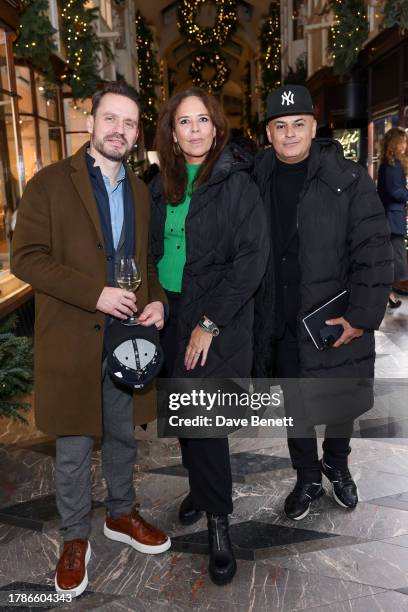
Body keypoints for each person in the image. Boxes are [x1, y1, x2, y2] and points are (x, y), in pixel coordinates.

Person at [11, 81, 170, 598]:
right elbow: (27, 258)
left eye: (129, 123)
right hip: (73, 341)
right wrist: (94, 294)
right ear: (91, 122)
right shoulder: (50, 184)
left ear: (136, 131)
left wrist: (157, 301)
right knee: (76, 445)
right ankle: (74, 536)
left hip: (127, 339)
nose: (119, 130)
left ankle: (121, 515)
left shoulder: (141, 190)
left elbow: (143, 263)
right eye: (111, 119)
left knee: (124, 436)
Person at [252, 84, 393, 521]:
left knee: (340, 400)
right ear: (268, 133)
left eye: (299, 124)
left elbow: (374, 251)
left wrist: (360, 318)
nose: (290, 133)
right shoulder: (256, 178)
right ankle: (307, 476)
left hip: (334, 314)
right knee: (295, 404)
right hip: (282, 317)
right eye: (280, 126)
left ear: (314, 126)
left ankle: (337, 463)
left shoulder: (348, 179)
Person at [150, 87, 268, 584]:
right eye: (184, 122)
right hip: (169, 314)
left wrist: (209, 324)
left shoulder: (235, 182)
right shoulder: (160, 185)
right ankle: (199, 489)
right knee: (182, 412)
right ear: (172, 134)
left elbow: (251, 260)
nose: (194, 129)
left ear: (217, 128)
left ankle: (220, 523)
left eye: (203, 120)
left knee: (205, 421)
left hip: (216, 317)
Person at [377, 127, 408, 308]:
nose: (405, 146)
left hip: (390, 217)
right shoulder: (392, 165)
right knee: (397, 258)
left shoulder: (389, 164)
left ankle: (388, 293)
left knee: (390, 259)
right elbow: (394, 191)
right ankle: (395, 289)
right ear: (396, 143)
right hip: (391, 219)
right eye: (403, 142)